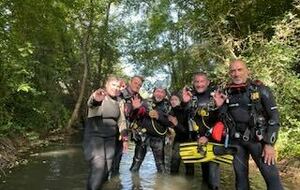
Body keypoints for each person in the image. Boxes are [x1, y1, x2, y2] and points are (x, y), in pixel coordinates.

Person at [214, 59, 283, 190]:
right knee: (241, 182)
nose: (236, 74)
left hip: (259, 142)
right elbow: (224, 118)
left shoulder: (261, 90)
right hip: (237, 143)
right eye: (233, 71)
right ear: (229, 73)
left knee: (273, 182)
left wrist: (269, 144)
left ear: (247, 71)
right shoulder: (227, 93)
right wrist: (220, 106)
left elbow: (274, 117)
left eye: (240, 70)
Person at [83, 75, 127, 190]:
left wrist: (124, 137)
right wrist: (95, 99)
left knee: (107, 169)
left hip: (110, 139)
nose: (115, 88)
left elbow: (122, 120)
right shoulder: (100, 95)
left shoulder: (119, 101)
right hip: (94, 136)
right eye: (113, 85)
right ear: (106, 85)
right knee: (99, 165)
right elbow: (92, 103)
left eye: (118, 86)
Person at [182, 72, 221, 189]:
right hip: (199, 141)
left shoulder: (215, 97)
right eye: (197, 82)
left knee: (213, 180)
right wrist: (185, 103)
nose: (199, 84)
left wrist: (207, 137)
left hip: (214, 141)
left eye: (202, 81)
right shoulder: (191, 98)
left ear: (208, 82)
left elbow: (222, 120)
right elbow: (186, 120)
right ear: (193, 83)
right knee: (205, 176)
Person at [129, 87, 170, 173]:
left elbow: (171, 123)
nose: (159, 94)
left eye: (162, 92)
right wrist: (136, 109)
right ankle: (134, 183)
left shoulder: (168, 105)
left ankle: (161, 184)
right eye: (158, 91)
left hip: (158, 138)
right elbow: (133, 117)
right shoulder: (144, 102)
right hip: (143, 137)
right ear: (154, 92)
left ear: (165, 95)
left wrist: (159, 117)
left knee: (161, 166)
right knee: (136, 163)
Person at [111, 75, 144, 175]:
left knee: (116, 161)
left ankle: (114, 183)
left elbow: (132, 118)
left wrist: (136, 109)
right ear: (130, 82)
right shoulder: (119, 94)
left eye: (140, 85)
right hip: (112, 130)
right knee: (107, 161)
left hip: (124, 132)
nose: (137, 85)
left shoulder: (138, 98)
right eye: (135, 83)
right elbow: (118, 113)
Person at [168, 92, 195, 175]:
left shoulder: (185, 110)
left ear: (180, 101)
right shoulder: (172, 111)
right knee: (174, 166)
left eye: (175, 99)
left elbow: (188, 131)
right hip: (178, 139)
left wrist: (176, 124)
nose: (173, 101)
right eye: (171, 100)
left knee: (189, 168)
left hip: (188, 140)